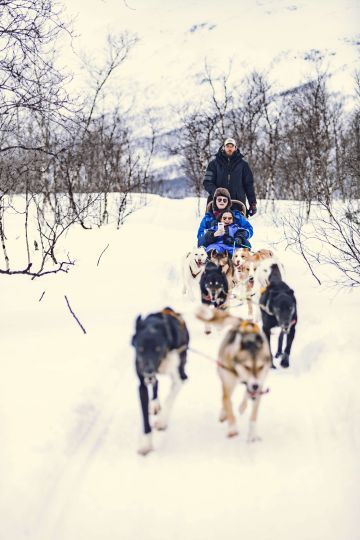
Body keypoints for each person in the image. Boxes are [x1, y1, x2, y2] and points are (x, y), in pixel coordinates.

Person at [203, 137, 257, 217]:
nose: (229, 148)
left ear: (235, 148)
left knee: (239, 228)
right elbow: (207, 182)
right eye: (227, 146)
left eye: (232, 146)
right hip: (217, 204)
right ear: (223, 147)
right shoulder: (213, 164)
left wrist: (252, 203)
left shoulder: (243, 165)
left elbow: (248, 185)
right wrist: (218, 193)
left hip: (237, 204)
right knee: (214, 227)